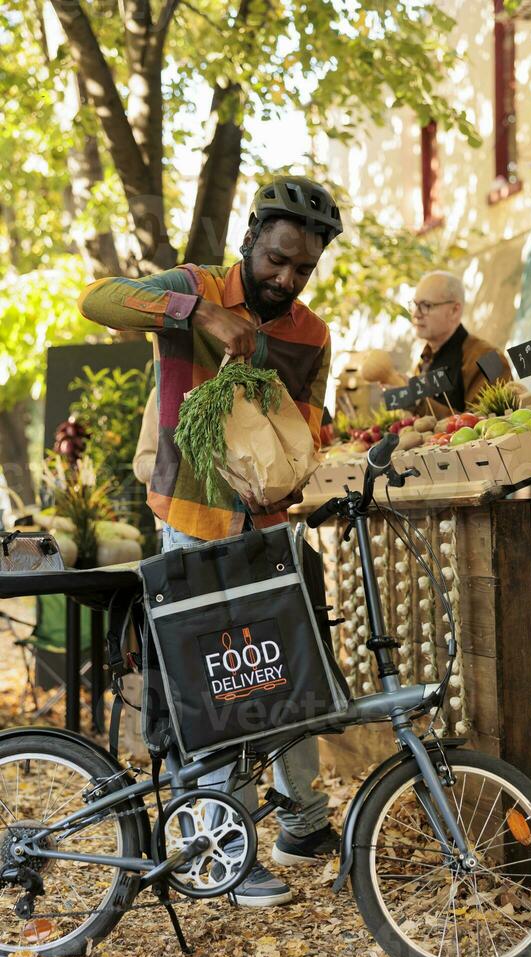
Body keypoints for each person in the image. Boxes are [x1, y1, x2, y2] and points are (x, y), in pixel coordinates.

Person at [79, 175, 344, 907]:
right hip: (190, 521)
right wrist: (203, 314)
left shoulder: (311, 333)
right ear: (252, 237)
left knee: (287, 670)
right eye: (277, 259)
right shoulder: (193, 286)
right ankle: (220, 846)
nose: (286, 279)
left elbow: (312, 426)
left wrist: (294, 477)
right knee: (217, 684)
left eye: (303, 269)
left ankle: (303, 823)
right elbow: (98, 299)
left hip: (269, 527)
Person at [410, 270, 512, 417]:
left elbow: (486, 426)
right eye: (415, 305)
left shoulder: (489, 358)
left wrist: (418, 402)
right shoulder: (424, 360)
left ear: (454, 310)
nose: (416, 314)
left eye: (426, 305)